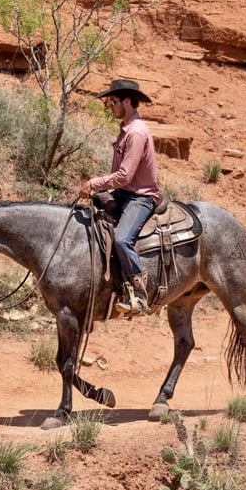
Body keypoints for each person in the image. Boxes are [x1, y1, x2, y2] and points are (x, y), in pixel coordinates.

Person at [80, 79, 161, 316]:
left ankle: (139, 294)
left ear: (127, 101)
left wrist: (95, 183)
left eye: (113, 102)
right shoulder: (126, 129)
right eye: (108, 102)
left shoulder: (136, 132)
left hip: (140, 198)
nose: (110, 107)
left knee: (122, 239)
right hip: (125, 193)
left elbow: (125, 176)